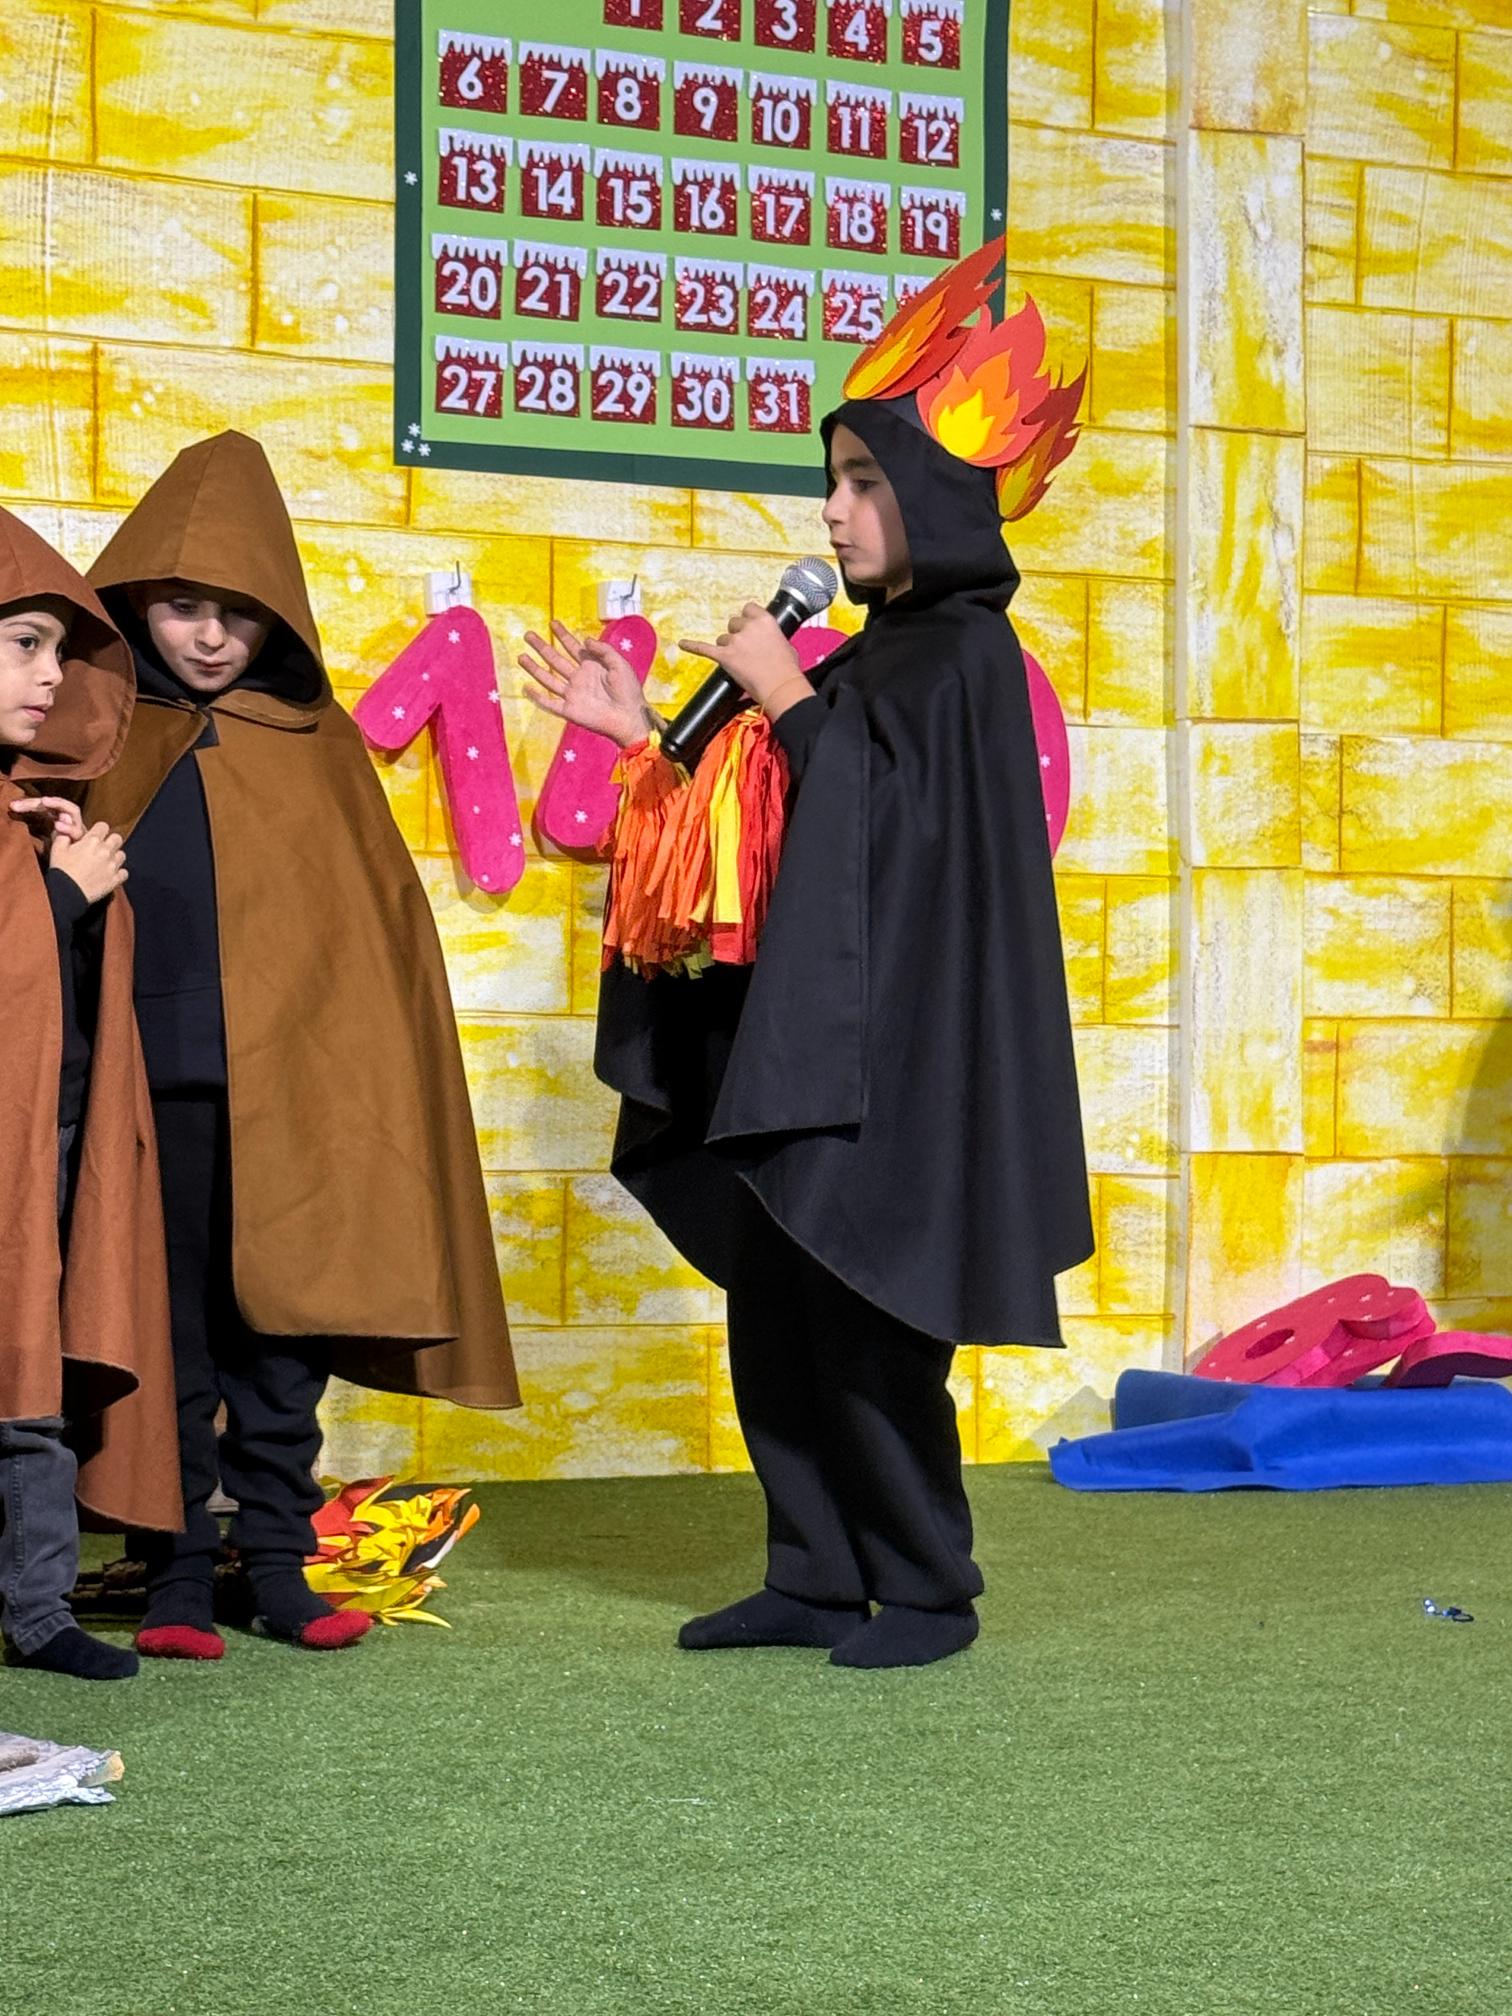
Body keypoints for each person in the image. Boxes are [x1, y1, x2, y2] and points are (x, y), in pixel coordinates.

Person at [521, 245, 1094, 1670]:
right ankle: (815, 1573)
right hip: (796, 1048)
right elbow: (763, 833)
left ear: (936, 498)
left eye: (863, 483)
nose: (833, 512)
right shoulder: (872, 656)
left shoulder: (962, 658)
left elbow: (893, 841)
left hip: (891, 1071)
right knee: (778, 1311)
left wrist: (787, 697)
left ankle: (930, 1588)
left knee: (871, 1322)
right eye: (833, 481)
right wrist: (644, 732)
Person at [81, 431, 519, 1661]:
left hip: (295, 1084)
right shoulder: (95, 730)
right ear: (137, 601)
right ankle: (173, 1572)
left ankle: (275, 1562)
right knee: (162, 1327)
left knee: (283, 1331)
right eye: (183, 606)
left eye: (237, 611)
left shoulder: (315, 744)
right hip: (140, 1086)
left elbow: (372, 939)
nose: (210, 636)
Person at [0, 506, 181, 1680]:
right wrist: (60, 897)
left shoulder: (25, 812)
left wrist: (58, 894)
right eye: (24, 644)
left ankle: (39, 1609)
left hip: (42, 1144)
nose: (50, 676)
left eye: (61, 653)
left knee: (33, 1379)